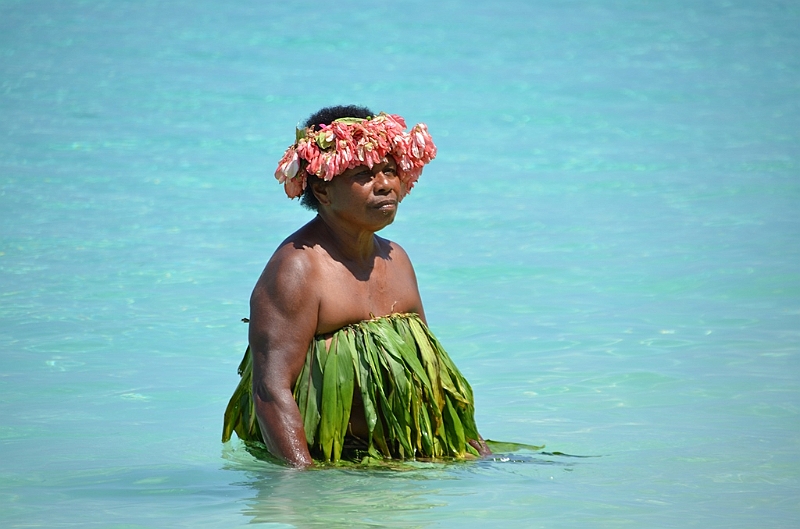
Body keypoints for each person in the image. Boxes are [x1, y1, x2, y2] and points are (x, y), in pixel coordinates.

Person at [222, 105, 490, 467]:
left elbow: (431, 374)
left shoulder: (397, 259)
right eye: (364, 174)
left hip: (393, 461)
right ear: (322, 190)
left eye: (389, 170)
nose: (385, 185)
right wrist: (304, 481)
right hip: (329, 465)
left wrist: (473, 449)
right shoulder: (298, 268)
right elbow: (270, 390)